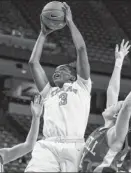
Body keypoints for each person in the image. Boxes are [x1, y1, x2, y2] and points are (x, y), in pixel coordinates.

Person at [25, 2, 91, 172]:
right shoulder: (50, 93)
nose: (56, 72)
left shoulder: (82, 86)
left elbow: (81, 49)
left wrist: (69, 22)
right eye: (55, 71)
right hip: (48, 145)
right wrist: (42, 34)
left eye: (61, 70)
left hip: (74, 145)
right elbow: (33, 63)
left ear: (72, 76)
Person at [79, 40, 131, 172]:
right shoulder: (107, 126)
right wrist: (118, 63)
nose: (111, 105)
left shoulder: (115, 136)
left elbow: (126, 108)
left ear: (116, 115)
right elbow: (112, 90)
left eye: (116, 105)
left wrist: (124, 106)